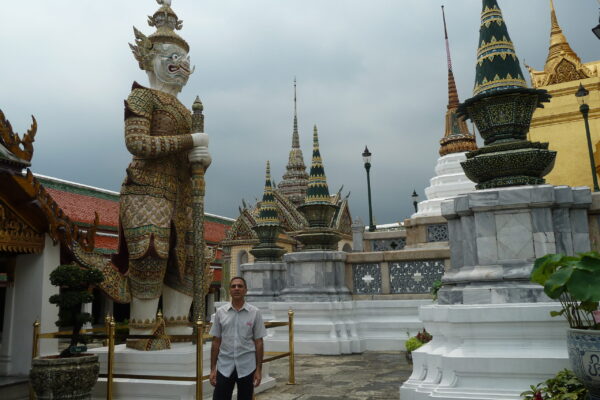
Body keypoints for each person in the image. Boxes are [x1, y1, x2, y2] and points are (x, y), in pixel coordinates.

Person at [209, 277, 267, 400]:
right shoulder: (221, 312)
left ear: (245, 290)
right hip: (225, 365)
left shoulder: (254, 312)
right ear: (229, 290)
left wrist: (258, 370)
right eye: (233, 286)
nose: (236, 289)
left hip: (247, 366)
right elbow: (216, 341)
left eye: (240, 286)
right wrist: (213, 368)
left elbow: (259, 342)